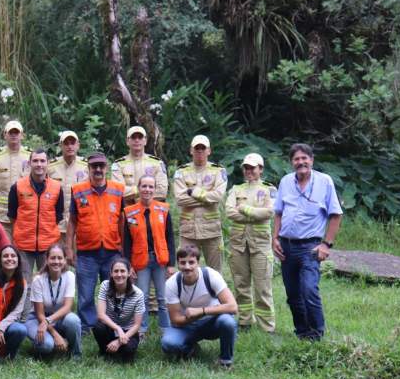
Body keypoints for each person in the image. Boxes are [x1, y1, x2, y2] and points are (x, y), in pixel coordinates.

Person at [272, 143, 342, 341]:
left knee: (309, 289)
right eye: (296, 159)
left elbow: (336, 215)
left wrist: (326, 244)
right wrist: (274, 238)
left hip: (310, 247)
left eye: (305, 158)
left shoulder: (325, 181)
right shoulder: (285, 181)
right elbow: (278, 212)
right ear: (291, 162)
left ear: (311, 160)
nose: (301, 162)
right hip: (286, 246)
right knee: (293, 294)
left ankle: (317, 334)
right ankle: (302, 332)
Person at [66, 152, 125, 335]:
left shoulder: (118, 189)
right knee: (85, 293)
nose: (98, 170)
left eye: (101, 166)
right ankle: (86, 326)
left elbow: (122, 220)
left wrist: (123, 247)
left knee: (114, 291)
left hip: (111, 251)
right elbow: (72, 221)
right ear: (88, 168)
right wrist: (69, 248)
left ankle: (111, 324)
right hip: (86, 252)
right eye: (94, 166)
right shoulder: (78, 190)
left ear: (106, 168)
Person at [161, 245, 238, 368]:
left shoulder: (211, 275)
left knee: (227, 322)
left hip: (212, 322)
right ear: (178, 264)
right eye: (182, 263)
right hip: (186, 324)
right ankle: (191, 349)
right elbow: (175, 319)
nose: (187, 267)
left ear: (198, 262)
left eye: (191, 262)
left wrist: (201, 311)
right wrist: (194, 317)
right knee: (168, 344)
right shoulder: (171, 284)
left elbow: (233, 307)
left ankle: (225, 360)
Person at [226, 153, 277, 332]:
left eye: (252, 168)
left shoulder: (269, 189)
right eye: (246, 168)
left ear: (260, 169)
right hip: (238, 243)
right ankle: (245, 321)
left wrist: (245, 209)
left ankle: (267, 327)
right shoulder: (236, 189)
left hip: (260, 244)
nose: (248, 171)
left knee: (263, 286)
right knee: (241, 284)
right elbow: (229, 212)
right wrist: (255, 214)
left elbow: (270, 212)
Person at [123, 175, 176, 335]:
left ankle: (166, 329)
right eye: (144, 186)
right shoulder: (129, 212)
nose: (147, 189)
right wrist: (128, 265)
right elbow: (126, 242)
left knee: (163, 297)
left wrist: (171, 264)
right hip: (141, 261)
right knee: (142, 297)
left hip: (160, 259)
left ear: (155, 189)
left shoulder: (163, 209)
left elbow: (170, 238)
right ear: (139, 189)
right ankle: (141, 330)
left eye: (150, 186)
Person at [172, 134, 227, 273]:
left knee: (215, 273)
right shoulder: (181, 172)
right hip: (188, 232)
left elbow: (218, 196)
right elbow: (180, 199)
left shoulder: (218, 171)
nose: (200, 151)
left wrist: (194, 192)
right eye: (197, 148)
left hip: (212, 231)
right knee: (186, 270)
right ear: (191, 150)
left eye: (203, 148)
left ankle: (214, 295)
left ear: (209, 150)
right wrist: (206, 198)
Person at [7, 148, 63, 279]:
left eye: (42, 161)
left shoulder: (57, 187)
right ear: (29, 163)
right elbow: (12, 216)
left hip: (48, 246)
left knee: (49, 282)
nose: (39, 164)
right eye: (35, 161)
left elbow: (58, 216)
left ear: (47, 163)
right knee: (23, 285)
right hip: (23, 245)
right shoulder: (17, 186)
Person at [24, 244, 82, 358]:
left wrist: (48, 321)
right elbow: (39, 314)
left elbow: (67, 307)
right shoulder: (38, 280)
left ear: (65, 260)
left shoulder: (70, 276)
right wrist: (55, 334)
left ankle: (76, 354)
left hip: (58, 317)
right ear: (47, 260)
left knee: (73, 320)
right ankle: (40, 347)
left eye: (60, 258)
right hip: (37, 319)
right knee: (47, 345)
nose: (56, 261)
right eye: (53, 258)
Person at [93, 257, 145, 362]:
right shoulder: (105, 285)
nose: (119, 274)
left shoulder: (138, 294)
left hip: (129, 331)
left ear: (129, 273)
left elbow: (137, 325)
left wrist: (119, 341)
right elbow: (101, 315)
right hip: (111, 328)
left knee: (128, 352)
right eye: (116, 271)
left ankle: (115, 348)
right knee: (97, 326)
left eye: (122, 271)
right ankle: (105, 351)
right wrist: (118, 329)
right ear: (111, 273)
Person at [0, 120, 31, 238]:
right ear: (5, 135)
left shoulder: (31, 157)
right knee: (3, 251)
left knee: (22, 251)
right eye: (10, 132)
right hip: (1, 215)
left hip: (25, 214)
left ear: (22, 135)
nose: (13, 135)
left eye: (16, 132)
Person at [47, 130, 88, 245]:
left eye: (72, 143)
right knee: (56, 260)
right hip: (56, 224)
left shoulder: (87, 166)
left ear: (78, 145)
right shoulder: (50, 166)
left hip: (79, 223)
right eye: (66, 143)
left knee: (77, 260)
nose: (70, 146)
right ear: (60, 146)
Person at [111, 126, 168, 204]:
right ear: (127, 141)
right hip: (127, 212)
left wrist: (133, 196)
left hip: (151, 211)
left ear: (145, 141)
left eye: (140, 137)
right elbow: (117, 191)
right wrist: (145, 191)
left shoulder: (157, 163)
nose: (137, 140)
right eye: (133, 137)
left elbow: (162, 192)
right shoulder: (118, 165)